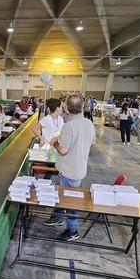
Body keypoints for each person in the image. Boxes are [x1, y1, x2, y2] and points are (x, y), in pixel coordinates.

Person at [48, 94, 96, 241]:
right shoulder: (89, 123)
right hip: (79, 168)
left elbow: (63, 150)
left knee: (72, 202)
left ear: (68, 108)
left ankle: (73, 230)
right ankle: (58, 217)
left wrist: (54, 142)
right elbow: (92, 143)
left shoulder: (69, 126)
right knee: (65, 197)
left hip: (69, 170)